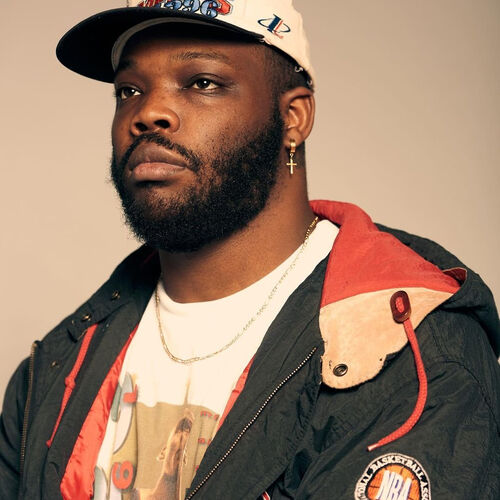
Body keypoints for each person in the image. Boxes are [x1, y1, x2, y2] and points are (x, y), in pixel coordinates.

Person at [1, 1, 499, 499]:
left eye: (202, 83)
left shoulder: (409, 355)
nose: (148, 112)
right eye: (129, 90)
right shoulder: (60, 364)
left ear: (293, 118)